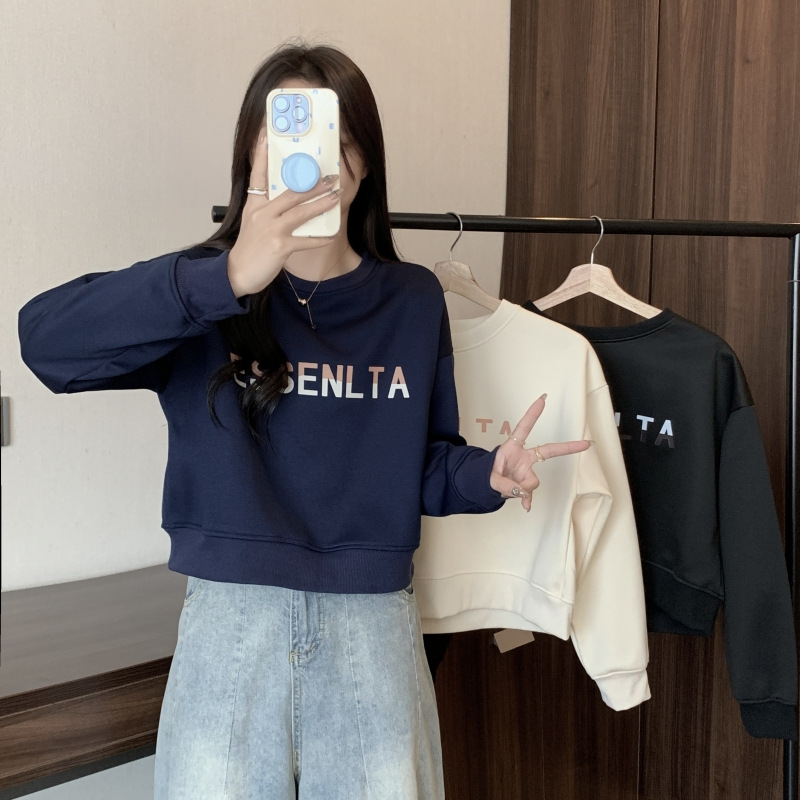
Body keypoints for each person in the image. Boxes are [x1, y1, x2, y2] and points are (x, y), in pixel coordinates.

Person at [18, 42, 589, 800]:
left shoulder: (411, 300)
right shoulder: (201, 294)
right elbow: (45, 343)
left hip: (371, 632)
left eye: (338, 135)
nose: (315, 154)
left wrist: (486, 474)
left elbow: (417, 464)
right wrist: (225, 277)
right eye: (286, 130)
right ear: (251, 154)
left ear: (365, 162)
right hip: (229, 626)